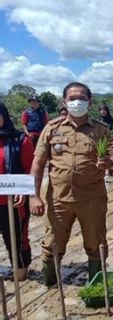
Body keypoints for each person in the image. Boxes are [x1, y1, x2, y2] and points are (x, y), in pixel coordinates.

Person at [30, 82, 113, 286]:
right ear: (64, 102)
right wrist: (34, 196)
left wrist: (111, 162)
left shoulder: (101, 130)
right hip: (58, 199)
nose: (76, 102)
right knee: (52, 244)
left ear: (89, 101)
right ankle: (50, 287)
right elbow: (38, 163)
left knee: (95, 243)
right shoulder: (52, 128)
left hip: (92, 199)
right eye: (72, 99)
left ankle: (96, 288)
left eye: (81, 98)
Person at [0, 102, 34, 281]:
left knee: (16, 239)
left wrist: (25, 190)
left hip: (12, 201)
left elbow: (30, 168)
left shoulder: (20, 140)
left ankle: (20, 273)